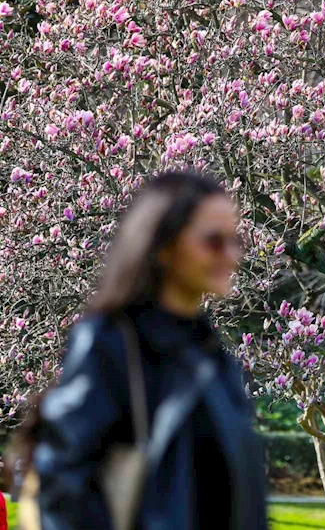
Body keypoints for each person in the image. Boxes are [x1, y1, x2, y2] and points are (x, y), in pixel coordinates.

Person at [15, 168, 268, 530]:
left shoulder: (212, 356)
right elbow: (62, 486)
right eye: (213, 241)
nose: (230, 256)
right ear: (164, 246)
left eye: (235, 241)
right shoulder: (111, 345)